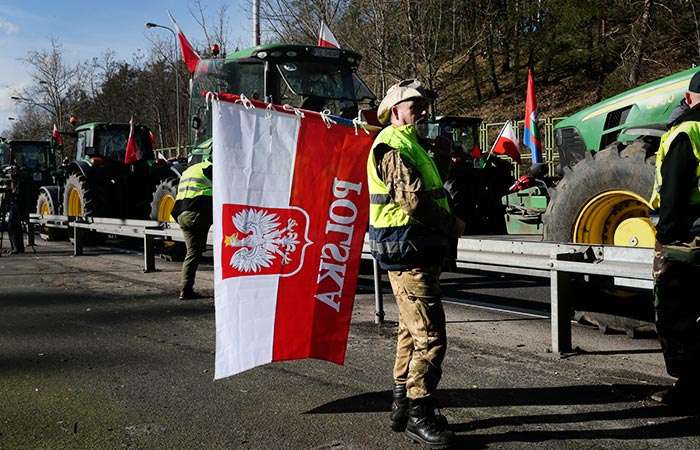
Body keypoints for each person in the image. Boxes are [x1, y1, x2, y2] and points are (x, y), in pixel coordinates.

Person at [367, 79, 464, 449]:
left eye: (424, 105)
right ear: (395, 111)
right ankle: (419, 413)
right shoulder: (393, 145)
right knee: (430, 337)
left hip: (415, 251)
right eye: (414, 106)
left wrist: (441, 160)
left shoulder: (411, 144)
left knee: (410, 331)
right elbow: (413, 201)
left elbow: (429, 188)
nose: (422, 111)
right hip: (408, 253)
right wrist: (450, 224)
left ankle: (401, 404)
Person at [649, 70, 700, 411]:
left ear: (690, 97)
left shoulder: (686, 132)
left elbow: (674, 193)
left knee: (675, 313)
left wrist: (665, 239)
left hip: (687, 238)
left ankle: (689, 386)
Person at [171, 157, 213, 300]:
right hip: (197, 212)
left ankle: (186, 289)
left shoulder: (189, 170)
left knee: (192, 253)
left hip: (181, 214)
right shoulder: (210, 168)